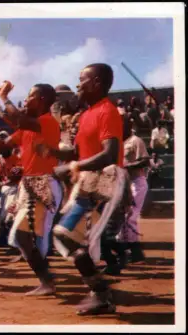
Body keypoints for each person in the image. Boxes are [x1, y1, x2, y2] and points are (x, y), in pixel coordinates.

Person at [35, 63, 128, 315]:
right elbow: (78, 152)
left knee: (71, 237)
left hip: (105, 181)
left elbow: (110, 154)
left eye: (82, 80)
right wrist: (54, 151)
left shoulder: (107, 111)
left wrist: (70, 167)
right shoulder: (87, 114)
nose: (78, 85)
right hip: (89, 182)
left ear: (97, 82)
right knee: (64, 235)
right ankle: (100, 292)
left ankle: (101, 294)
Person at [0, 83, 63, 295]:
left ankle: (47, 281)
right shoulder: (28, 127)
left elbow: (16, 118)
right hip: (29, 185)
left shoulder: (47, 122)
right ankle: (47, 281)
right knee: (25, 237)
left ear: (43, 100)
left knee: (23, 235)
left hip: (41, 184)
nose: (26, 101)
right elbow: (2, 145)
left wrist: (3, 97)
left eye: (30, 96)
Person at [118, 117, 150, 265]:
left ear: (128, 125)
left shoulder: (135, 140)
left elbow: (145, 161)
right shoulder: (117, 142)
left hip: (137, 182)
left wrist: (127, 166)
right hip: (124, 184)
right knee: (123, 217)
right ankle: (132, 252)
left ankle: (134, 252)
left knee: (129, 216)